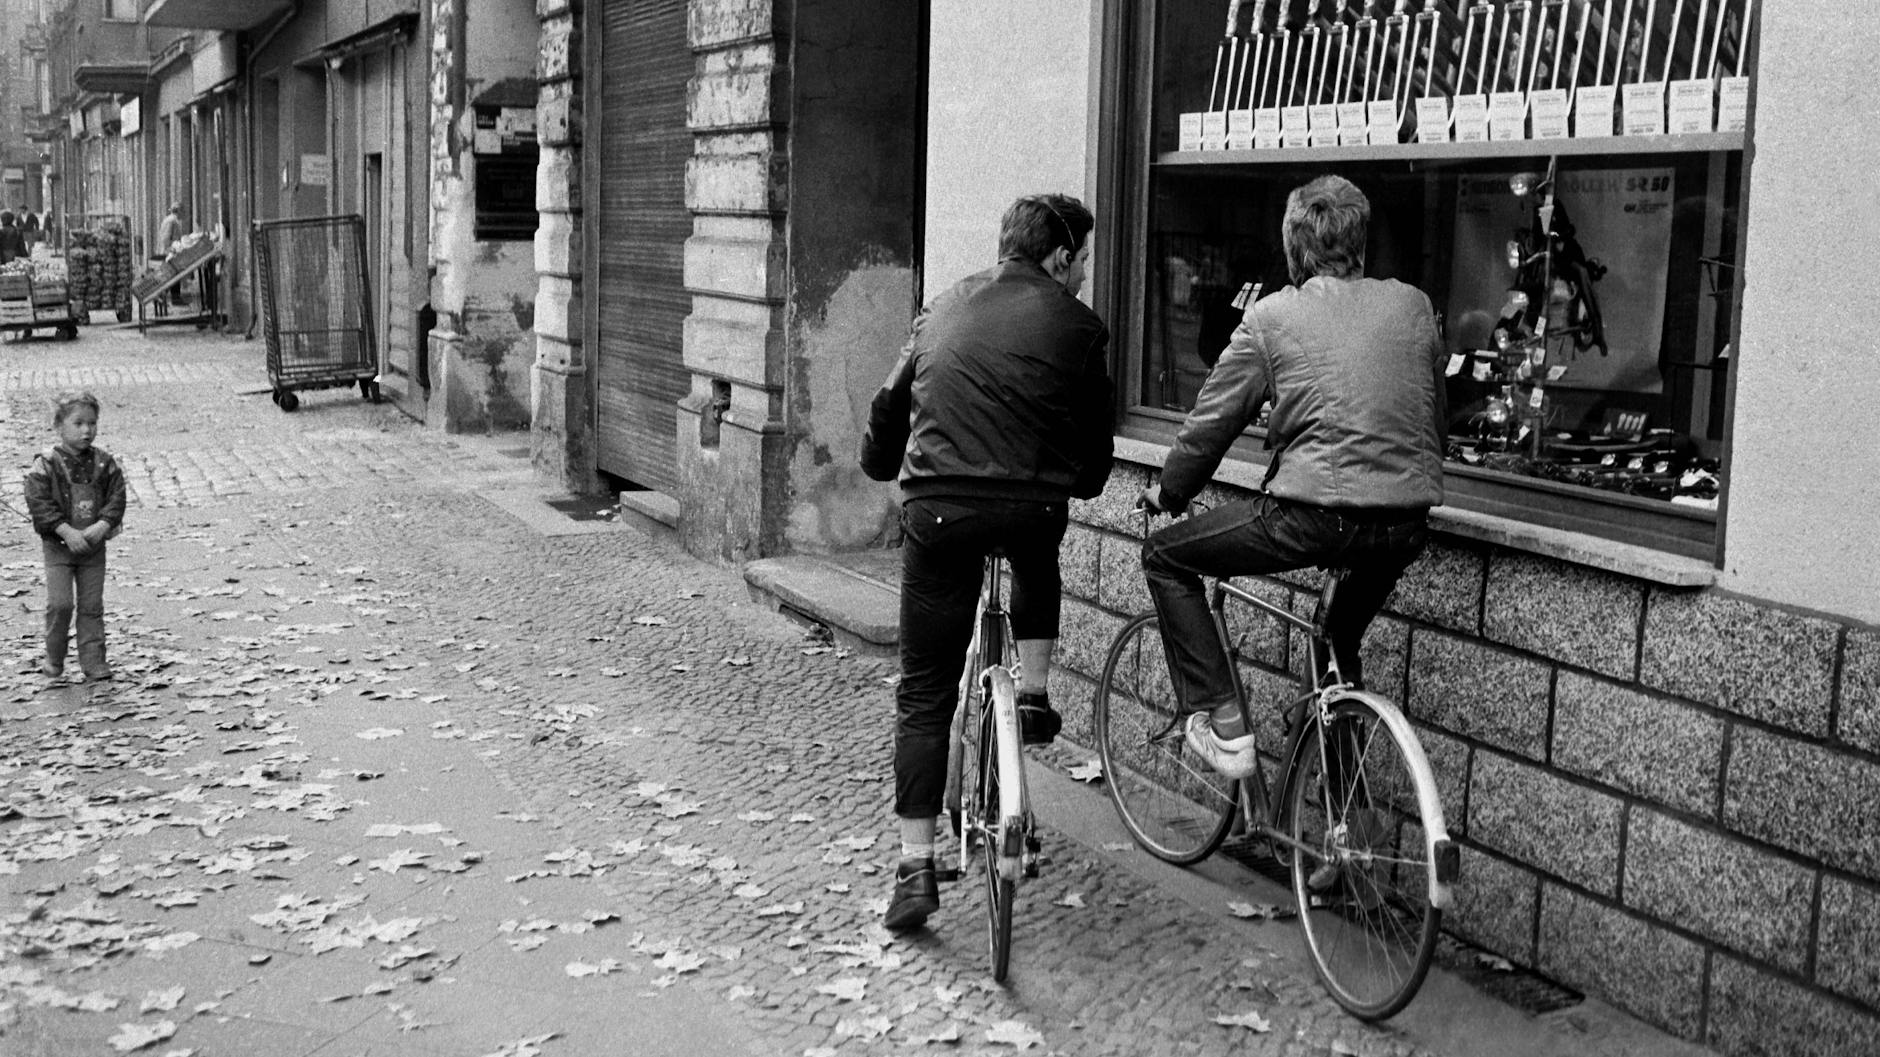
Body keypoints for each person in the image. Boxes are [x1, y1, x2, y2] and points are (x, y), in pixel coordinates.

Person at [860, 193, 1114, 932]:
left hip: (937, 508)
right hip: (1030, 508)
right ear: (1060, 257)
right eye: (1084, 261)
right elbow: (1094, 463)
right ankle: (1032, 695)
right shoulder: (1083, 329)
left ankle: (913, 866)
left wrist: (883, 462)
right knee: (1041, 537)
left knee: (925, 689)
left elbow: (887, 404)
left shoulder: (940, 308)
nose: (1086, 276)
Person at [1139, 175, 1445, 779]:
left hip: (1314, 518)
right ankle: (1340, 835)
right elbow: (1432, 413)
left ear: (1294, 248)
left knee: (1165, 557)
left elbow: (1210, 423)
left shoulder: (1272, 317)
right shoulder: (1412, 305)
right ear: (1360, 241)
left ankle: (1225, 723)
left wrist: (1170, 491)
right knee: (1335, 642)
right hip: (1405, 525)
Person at [24, 391, 127, 683]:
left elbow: (117, 498)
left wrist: (102, 526)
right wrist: (65, 530)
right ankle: (54, 656)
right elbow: (38, 502)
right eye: (78, 423)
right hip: (59, 549)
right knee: (61, 604)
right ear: (59, 425)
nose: (86, 430)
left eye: (92, 423)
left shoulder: (106, 464)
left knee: (92, 606)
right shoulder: (45, 465)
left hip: (93, 550)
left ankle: (94, 661)